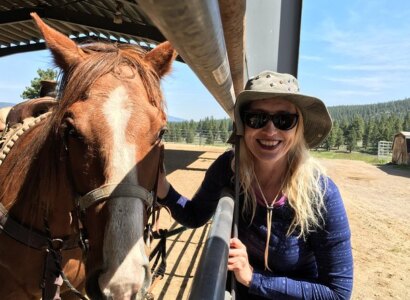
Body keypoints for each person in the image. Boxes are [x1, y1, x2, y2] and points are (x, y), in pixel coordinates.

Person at [157, 70, 353, 299]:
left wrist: (253, 277)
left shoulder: (321, 194)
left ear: (298, 127)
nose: (270, 131)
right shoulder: (228, 170)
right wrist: (163, 188)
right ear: (243, 125)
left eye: (284, 120)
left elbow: (338, 293)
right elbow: (194, 214)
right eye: (257, 118)